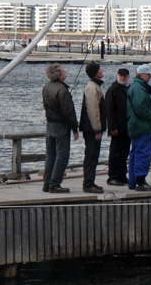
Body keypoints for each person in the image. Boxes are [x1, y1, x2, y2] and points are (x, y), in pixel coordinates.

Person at [42, 63, 79, 193]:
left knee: (50, 155)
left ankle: (47, 183)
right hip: (61, 126)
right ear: (59, 76)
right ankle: (55, 184)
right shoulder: (62, 90)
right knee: (62, 156)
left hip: (50, 124)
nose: (65, 73)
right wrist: (75, 128)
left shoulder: (46, 87)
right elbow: (68, 112)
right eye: (63, 71)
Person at [127, 65, 151, 191]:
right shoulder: (139, 88)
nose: (150, 76)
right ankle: (140, 181)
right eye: (148, 74)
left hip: (135, 126)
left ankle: (133, 181)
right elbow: (140, 107)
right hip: (141, 126)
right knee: (143, 153)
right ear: (141, 75)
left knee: (135, 153)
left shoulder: (136, 86)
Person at [79, 63, 106, 193]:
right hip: (91, 130)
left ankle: (91, 182)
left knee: (94, 156)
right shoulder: (92, 88)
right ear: (95, 73)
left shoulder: (95, 86)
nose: (102, 70)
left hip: (91, 128)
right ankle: (88, 184)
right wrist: (97, 129)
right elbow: (93, 110)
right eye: (99, 69)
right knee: (91, 156)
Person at [105, 68, 131, 186]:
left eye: (124, 76)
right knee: (115, 153)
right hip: (117, 127)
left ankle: (122, 175)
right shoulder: (113, 90)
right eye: (120, 75)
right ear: (117, 76)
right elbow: (109, 111)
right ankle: (113, 177)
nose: (122, 77)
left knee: (124, 152)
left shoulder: (129, 89)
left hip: (127, 127)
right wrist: (112, 128)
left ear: (128, 77)